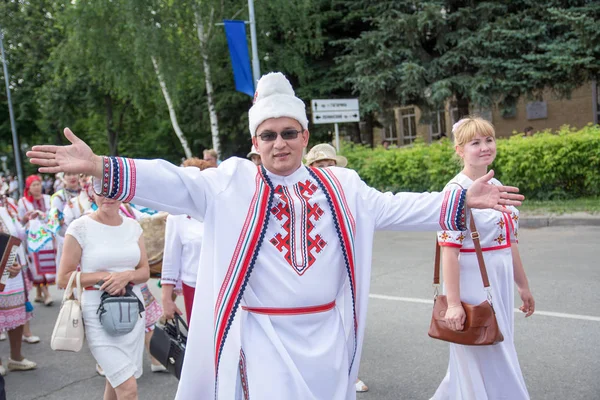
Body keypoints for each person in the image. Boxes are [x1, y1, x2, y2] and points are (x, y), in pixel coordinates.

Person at [27, 72, 523, 400]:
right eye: (269, 135)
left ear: (305, 136)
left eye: (289, 132)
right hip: (261, 339)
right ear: (254, 142)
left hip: (329, 336)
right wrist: (100, 166)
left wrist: (460, 200)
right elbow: (171, 179)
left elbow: (396, 207)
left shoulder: (341, 185)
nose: (279, 143)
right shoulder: (230, 184)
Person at [431, 117, 534, 400]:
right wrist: (453, 304)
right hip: (472, 281)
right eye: (475, 143)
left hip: (498, 280)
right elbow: (449, 252)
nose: (485, 147)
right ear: (459, 150)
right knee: (482, 349)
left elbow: (509, 241)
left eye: (489, 140)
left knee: (497, 343)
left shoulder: (496, 184)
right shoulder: (454, 191)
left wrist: (522, 286)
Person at [58, 192, 150, 400]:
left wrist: (127, 275)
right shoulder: (80, 227)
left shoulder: (133, 227)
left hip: (132, 312)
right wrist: (105, 277)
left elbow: (144, 271)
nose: (107, 197)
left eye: (113, 191)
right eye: (101, 191)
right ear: (92, 193)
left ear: (123, 193)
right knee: (127, 388)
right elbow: (63, 278)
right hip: (98, 315)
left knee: (115, 380)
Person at [161, 158, 212, 323]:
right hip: (194, 288)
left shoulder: (223, 211)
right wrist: (166, 299)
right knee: (201, 343)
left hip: (226, 286)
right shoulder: (176, 217)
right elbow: (171, 259)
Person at [0, 197, 37, 375]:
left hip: (12, 267)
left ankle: (16, 357)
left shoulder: (6, 206)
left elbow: (15, 236)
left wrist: (24, 222)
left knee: (16, 312)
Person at [17, 175, 56, 306]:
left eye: (38, 184)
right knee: (36, 265)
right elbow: (20, 220)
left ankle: (40, 293)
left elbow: (52, 216)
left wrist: (43, 215)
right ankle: (47, 294)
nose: (37, 187)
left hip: (47, 237)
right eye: (33, 185)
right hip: (32, 238)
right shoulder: (23, 202)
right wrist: (26, 218)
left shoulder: (48, 199)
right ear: (28, 187)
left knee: (46, 263)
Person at [49, 172, 81, 269]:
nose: (72, 177)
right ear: (63, 177)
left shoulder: (86, 193)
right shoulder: (58, 197)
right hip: (67, 239)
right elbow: (56, 224)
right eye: (68, 174)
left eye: (75, 173)